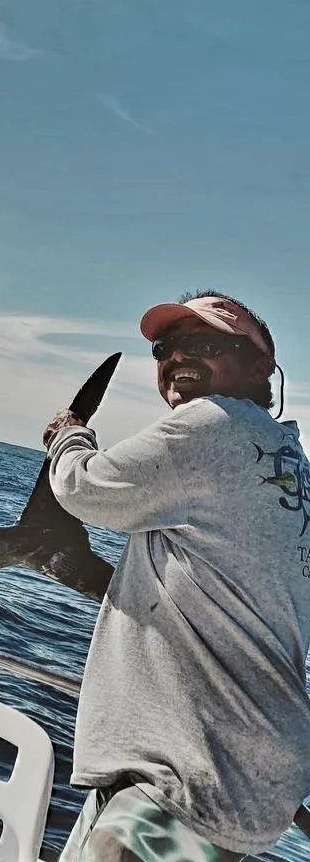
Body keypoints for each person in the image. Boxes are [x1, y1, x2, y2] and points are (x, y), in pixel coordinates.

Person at [42, 291, 310, 862]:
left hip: (191, 776)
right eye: (167, 348)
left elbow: (81, 488)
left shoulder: (214, 426)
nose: (178, 358)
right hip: (241, 776)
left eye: (205, 344)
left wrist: (68, 435)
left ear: (262, 368)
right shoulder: (289, 467)